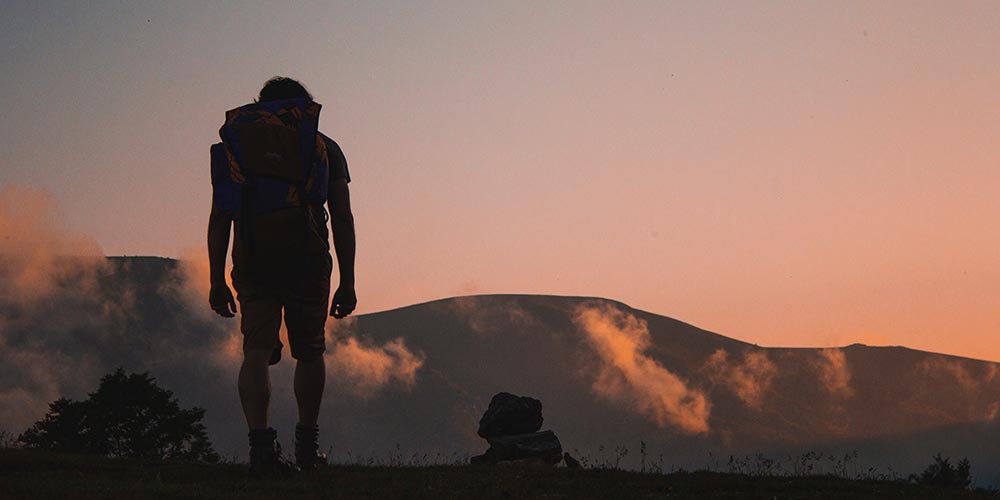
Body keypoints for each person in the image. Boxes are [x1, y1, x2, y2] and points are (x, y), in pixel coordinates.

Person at [207, 77, 357, 477]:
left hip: (252, 257)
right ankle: (306, 450)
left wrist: (216, 278)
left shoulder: (236, 147)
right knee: (309, 351)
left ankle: (261, 451)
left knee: (255, 352)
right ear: (302, 107)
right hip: (307, 257)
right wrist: (348, 279)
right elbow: (341, 216)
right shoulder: (322, 146)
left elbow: (221, 216)